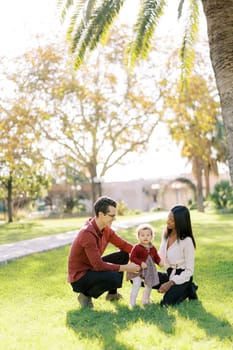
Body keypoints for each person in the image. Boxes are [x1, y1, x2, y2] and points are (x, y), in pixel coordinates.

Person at [67, 196, 140, 308]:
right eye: (112, 216)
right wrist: (126, 267)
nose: (114, 219)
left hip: (92, 267)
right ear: (101, 215)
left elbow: (123, 245)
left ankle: (112, 295)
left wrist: (144, 254)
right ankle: (85, 295)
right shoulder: (87, 233)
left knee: (123, 255)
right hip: (80, 277)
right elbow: (98, 265)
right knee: (113, 277)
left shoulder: (105, 229)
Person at [154, 204, 198, 306]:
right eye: (168, 218)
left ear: (180, 223)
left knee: (165, 303)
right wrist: (144, 268)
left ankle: (188, 288)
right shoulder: (166, 234)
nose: (168, 222)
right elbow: (160, 257)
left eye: (172, 220)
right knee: (138, 278)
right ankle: (187, 288)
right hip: (170, 273)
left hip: (182, 276)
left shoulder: (187, 241)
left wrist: (170, 283)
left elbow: (189, 271)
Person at [127, 223, 162, 307]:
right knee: (137, 284)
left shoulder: (152, 248)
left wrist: (159, 262)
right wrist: (140, 262)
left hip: (148, 270)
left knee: (149, 285)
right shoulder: (137, 247)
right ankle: (132, 302)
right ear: (138, 237)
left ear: (151, 236)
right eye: (142, 235)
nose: (145, 237)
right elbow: (132, 257)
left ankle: (145, 300)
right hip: (137, 270)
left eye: (148, 235)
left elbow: (156, 257)